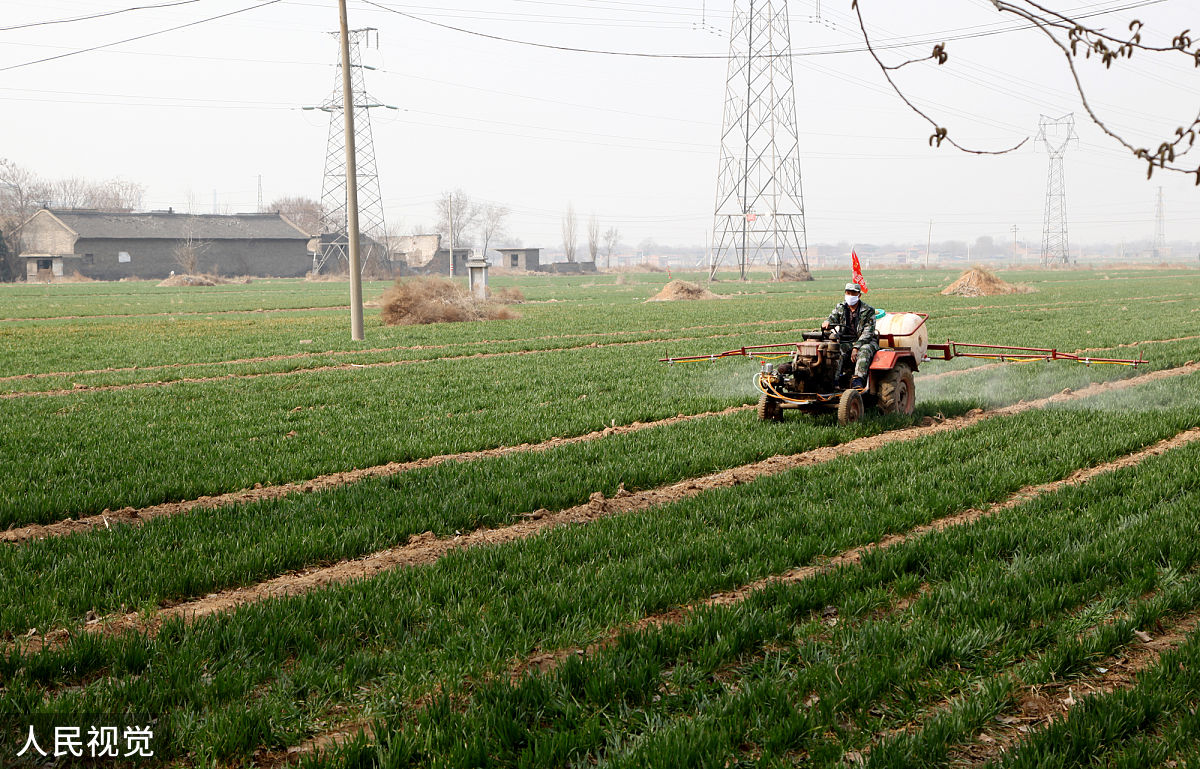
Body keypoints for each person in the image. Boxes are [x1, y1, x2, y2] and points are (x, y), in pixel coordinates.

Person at [821, 282, 878, 389]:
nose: (850, 296)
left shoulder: (868, 310)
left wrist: (856, 347)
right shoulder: (840, 307)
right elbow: (832, 318)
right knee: (835, 351)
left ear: (859, 295)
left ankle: (858, 380)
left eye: (853, 293)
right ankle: (834, 380)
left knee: (864, 350)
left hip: (865, 341)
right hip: (846, 341)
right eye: (848, 293)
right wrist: (827, 322)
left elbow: (868, 332)